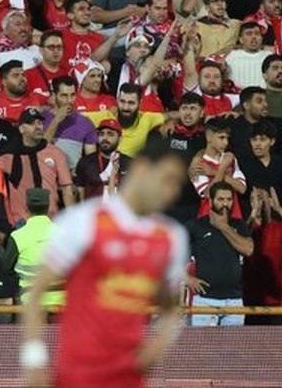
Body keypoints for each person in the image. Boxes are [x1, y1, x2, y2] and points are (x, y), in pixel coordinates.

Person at [20, 138, 188, 388]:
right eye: (168, 180)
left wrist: (158, 345)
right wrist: (34, 360)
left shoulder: (171, 237)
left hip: (130, 379)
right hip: (76, 376)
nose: (173, 192)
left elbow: (172, 308)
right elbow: (35, 293)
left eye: (177, 185)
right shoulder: (83, 221)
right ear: (142, 169)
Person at [186, 181, 254, 326]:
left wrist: (223, 227)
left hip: (234, 301)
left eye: (229, 199)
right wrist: (187, 278)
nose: (225, 204)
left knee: (234, 342)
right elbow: (170, 254)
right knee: (203, 341)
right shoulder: (196, 226)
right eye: (220, 199)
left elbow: (248, 249)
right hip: (205, 301)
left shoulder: (239, 225)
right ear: (211, 201)